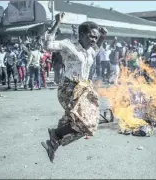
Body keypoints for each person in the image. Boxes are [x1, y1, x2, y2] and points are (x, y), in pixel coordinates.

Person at [41, 12, 107, 163]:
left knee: (89, 125)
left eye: (95, 38)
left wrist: (102, 37)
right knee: (84, 122)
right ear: (82, 34)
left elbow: (96, 50)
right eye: (91, 36)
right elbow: (47, 45)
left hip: (83, 90)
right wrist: (56, 23)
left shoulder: (90, 50)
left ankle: (54, 141)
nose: (93, 40)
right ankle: (56, 134)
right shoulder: (68, 45)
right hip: (69, 88)